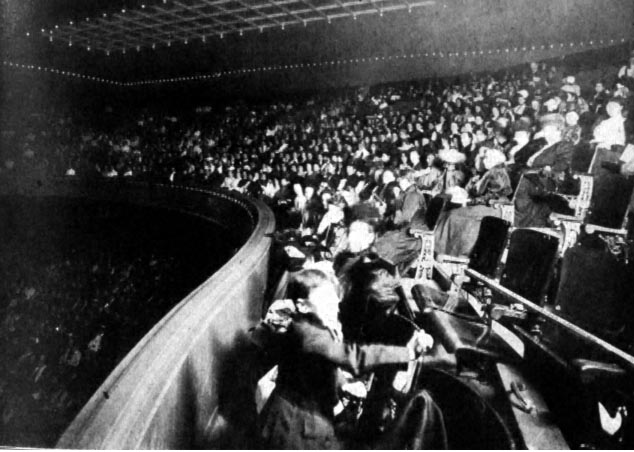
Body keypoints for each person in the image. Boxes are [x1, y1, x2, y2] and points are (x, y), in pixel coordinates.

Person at [252, 269, 433, 449]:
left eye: (333, 298)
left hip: (299, 415)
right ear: (303, 305)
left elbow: (318, 367)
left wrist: (341, 383)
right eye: (324, 300)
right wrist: (408, 352)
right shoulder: (310, 336)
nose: (333, 305)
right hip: (296, 426)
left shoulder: (311, 326)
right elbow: (355, 356)